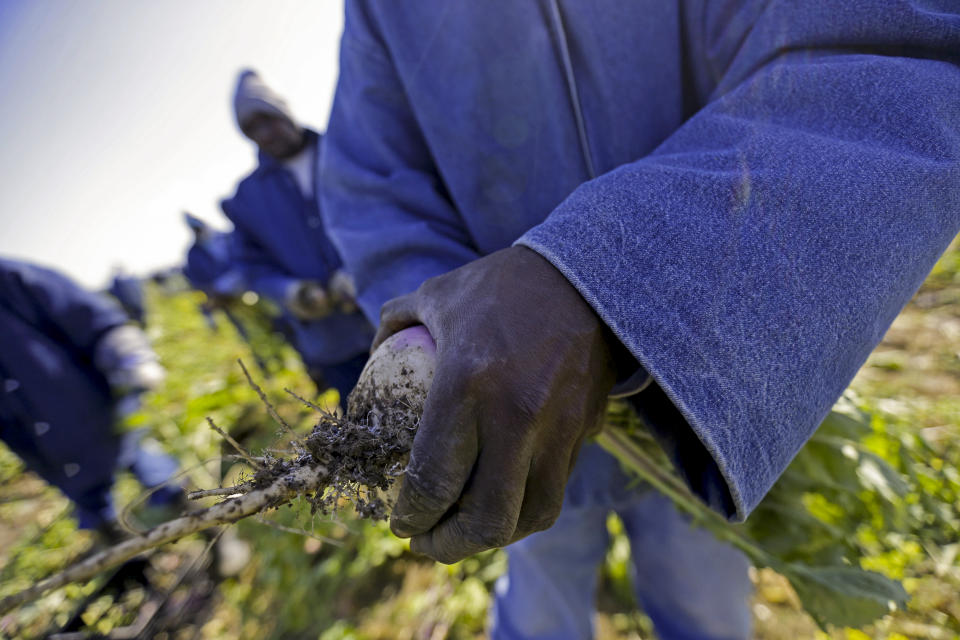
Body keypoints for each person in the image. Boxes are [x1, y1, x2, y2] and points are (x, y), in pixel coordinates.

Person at [319, 2, 960, 638]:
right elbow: (373, 189)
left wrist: (606, 285)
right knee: (541, 602)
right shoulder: (384, 11)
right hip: (510, 415)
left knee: (701, 601)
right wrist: (449, 347)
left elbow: (887, 55)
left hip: (690, 397)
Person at [0, 258, 184, 539]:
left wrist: (128, 353)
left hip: (94, 412)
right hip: (42, 448)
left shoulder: (9, 279)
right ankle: (128, 559)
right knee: (96, 509)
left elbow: (88, 316)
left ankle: (205, 525)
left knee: (151, 468)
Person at [220, 69, 375, 402]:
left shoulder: (347, 152)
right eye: (252, 128)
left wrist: (361, 271)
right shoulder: (247, 199)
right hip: (332, 342)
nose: (265, 133)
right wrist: (291, 292)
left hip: (386, 310)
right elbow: (251, 266)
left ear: (284, 111)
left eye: (268, 119)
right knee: (374, 430)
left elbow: (388, 212)